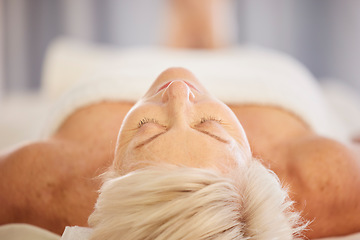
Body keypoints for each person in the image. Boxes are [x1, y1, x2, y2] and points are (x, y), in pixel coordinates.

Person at [1, 1, 360, 239]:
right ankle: (205, 35)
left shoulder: (44, 184)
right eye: (212, 129)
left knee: (189, 23)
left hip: (114, 82)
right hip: (268, 85)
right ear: (257, 166)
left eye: (147, 131)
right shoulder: (326, 181)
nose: (177, 92)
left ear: (109, 174)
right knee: (204, 28)